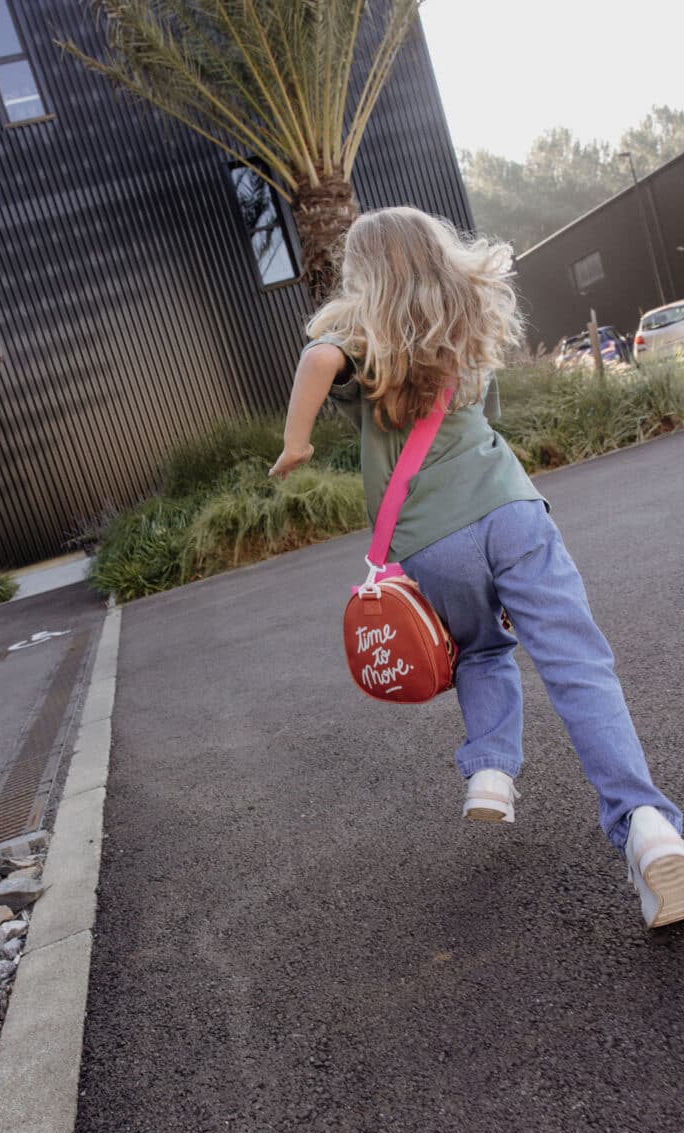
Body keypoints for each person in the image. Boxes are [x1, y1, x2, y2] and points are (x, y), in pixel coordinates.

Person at [269, 206, 684, 931]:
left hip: (433, 541)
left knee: (482, 651)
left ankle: (491, 769)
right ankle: (646, 824)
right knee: (578, 663)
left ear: (364, 276)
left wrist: (295, 441)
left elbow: (316, 358)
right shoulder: (468, 323)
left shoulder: (361, 340)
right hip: (514, 511)